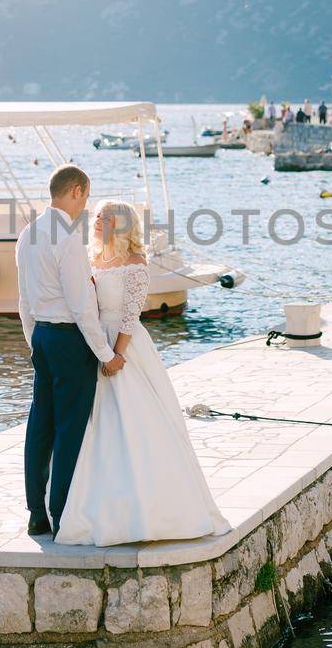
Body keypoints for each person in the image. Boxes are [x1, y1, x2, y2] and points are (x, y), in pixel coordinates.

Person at [54, 201, 231, 547]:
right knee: (95, 427)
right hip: (93, 345)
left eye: (106, 218)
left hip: (124, 348)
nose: (98, 221)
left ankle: (153, 510)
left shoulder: (135, 265)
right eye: (98, 216)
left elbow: (130, 316)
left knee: (134, 422)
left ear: (121, 225)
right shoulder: (92, 260)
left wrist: (117, 355)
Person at [17, 165, 121, 537]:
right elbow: (82, 307)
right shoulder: (68, 239)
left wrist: (34, 343)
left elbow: (24, 299)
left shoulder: (27, 233)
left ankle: (35, 514)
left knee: (39, 426)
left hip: (43, 337)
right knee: (69, 428)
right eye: (87, 196)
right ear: (76, 191)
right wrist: (106, 355)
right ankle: (62, 514)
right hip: (69, 339)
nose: (86, 205)